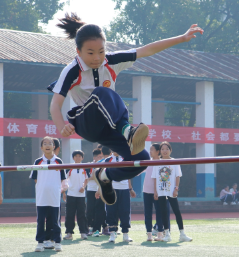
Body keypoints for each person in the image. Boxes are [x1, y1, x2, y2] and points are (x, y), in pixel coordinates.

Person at [49, 13, 203, 205]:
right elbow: (55, 104)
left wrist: (182, 38)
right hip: (86, 122)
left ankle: (105, 177)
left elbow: (147, 50)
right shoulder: (71, 70)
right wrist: (61, 125)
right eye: (90, 53)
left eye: (101, 51)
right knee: (103, 93)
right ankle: (128, 131)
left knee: (142, 159)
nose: (97, 58)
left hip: (108, 127)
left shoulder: (112, 60)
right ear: (78, 51)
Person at [152, 141, 192, 242]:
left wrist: (176, 189)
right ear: (160, 151)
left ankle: (182, 234)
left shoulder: (175, 161)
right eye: (162, 149)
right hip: (161, 191)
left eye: (167, 149)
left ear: (170, 150)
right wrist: (155, 191)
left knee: (177, 211)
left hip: (171, 191)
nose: (165, 151)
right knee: (163, 212)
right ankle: (167, 234)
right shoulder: (157, 162)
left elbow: (177, 176)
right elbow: (155, 178)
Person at [31, 136, 65, 252]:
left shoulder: (59, 161)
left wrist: (56, 189)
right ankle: (40, 242)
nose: (47, 145)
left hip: (54, 196)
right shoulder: (38, 161)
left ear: (53, 146)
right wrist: (43, 187)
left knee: (55, 220)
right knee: (40, 220)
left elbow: (62, 178)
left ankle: (57, 242)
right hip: (41, 196)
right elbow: (35, 178)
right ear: (41, 147)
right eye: (45, 143)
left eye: (50, 143)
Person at [103, 152, 136, 243]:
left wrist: (130, 188)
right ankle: (112, 233)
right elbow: (104, 176)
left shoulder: (125, 158)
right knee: (111, 211)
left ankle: (125, 233)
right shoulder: (107, 160)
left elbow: (128, 175)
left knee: (125, 210)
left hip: (124, 188)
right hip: (111, 189)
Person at [63, 150, 89, 240]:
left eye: (79, 156)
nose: (78, 158)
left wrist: (83, 187)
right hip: (71, 194)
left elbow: (86, 179)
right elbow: (64, 180)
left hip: (81, 195)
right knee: (70, 214)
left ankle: (83, 232)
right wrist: (64, 193)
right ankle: (69, 233)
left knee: (82, 214)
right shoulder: (69, 167)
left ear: (82, 158)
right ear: (73, 158)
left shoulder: (85, 168)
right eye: (76, 156)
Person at [143, 143, 166, 241]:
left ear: (158, 151)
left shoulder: (162, 163)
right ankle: (149, 234)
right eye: (150, 149)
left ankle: (160, 233)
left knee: (159, 212)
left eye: (152, 149)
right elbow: (138, 171)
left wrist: (158, 191)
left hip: (158, 192)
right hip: (146, 191)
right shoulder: (147, 162)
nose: (150, 151)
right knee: (147, 213)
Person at [86, 148, 106, 237]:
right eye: (99, 157)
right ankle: (89, 227)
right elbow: (86, 178)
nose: (101, 158)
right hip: (91, 190)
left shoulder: (104, 165)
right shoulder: (89, 165)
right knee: (90, 209)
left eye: (102, 156)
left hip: (101, 190)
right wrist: (93, 177)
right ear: (95, 157)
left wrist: (93, 177)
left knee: (100, 210)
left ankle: (98, 229)